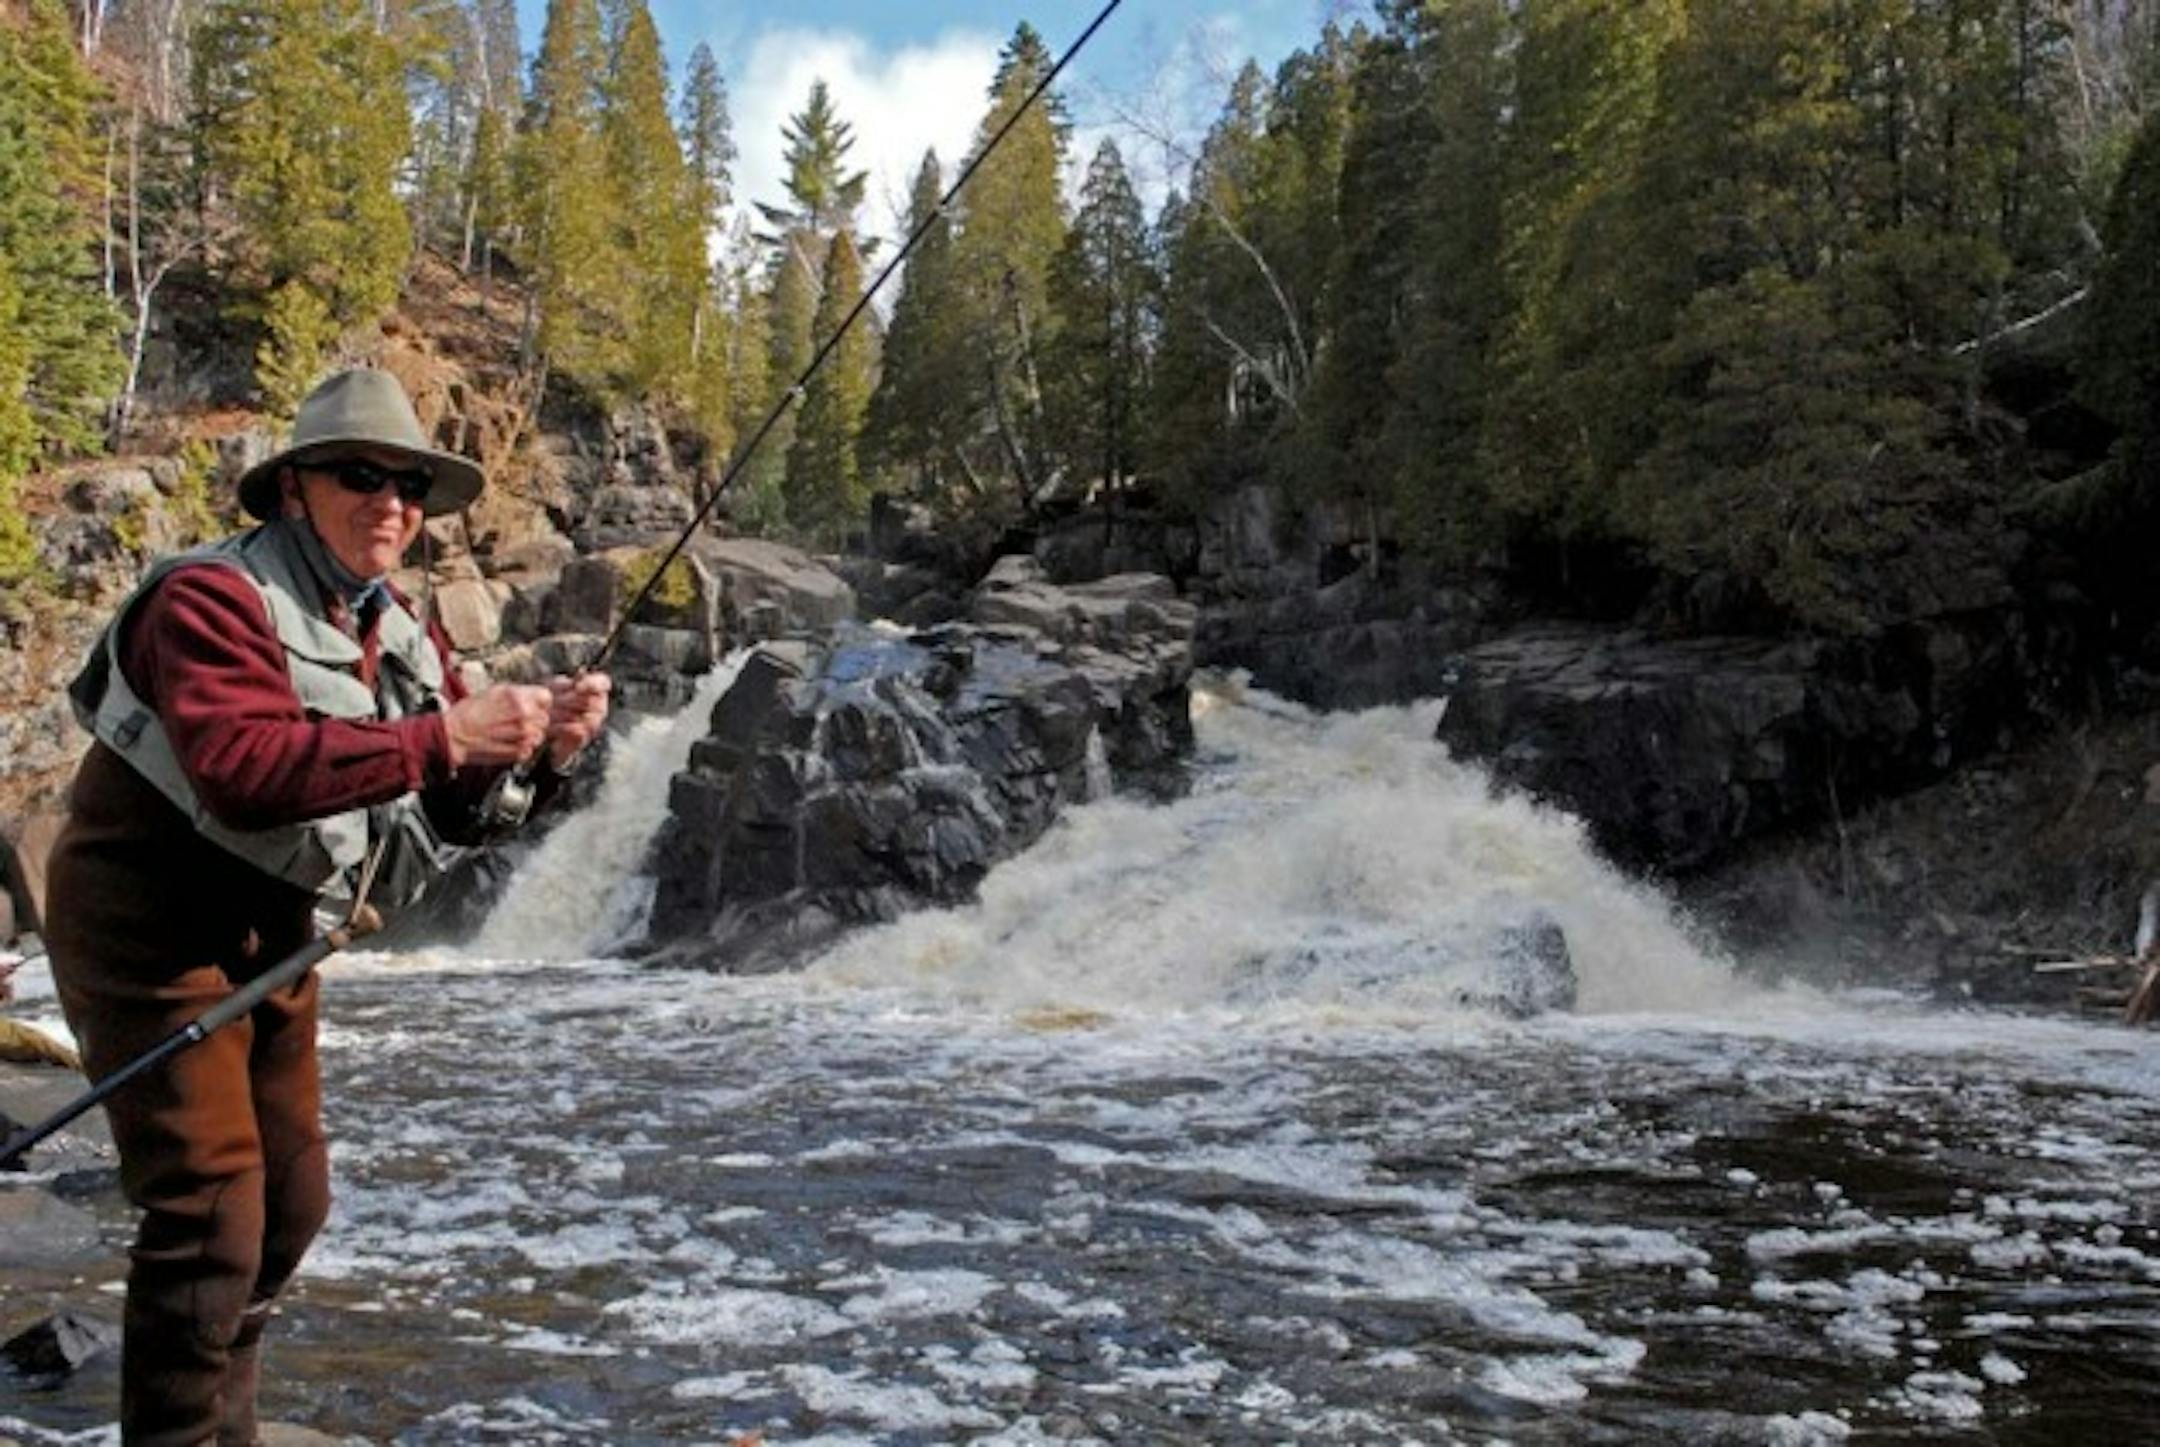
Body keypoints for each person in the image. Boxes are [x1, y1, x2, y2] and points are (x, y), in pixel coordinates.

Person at [44, 367, 611, 1445]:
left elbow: (446, 807)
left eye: (410, 484)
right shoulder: (205, 599)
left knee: (290, 1205)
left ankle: (228, 1426)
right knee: (210, 1212)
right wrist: (449, 735)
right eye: (361, 475)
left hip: (270, 929)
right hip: (144, 924)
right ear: (294, 488)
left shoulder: (395, 624)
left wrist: (546, 762)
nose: (391, 501)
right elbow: (242, 769)